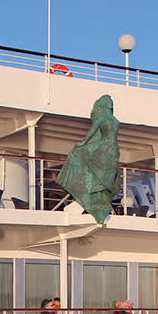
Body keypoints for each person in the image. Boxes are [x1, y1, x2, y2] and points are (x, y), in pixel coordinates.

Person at [55, 94, 122, 224]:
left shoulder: (102, 118)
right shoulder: (115, 120)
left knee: (77, 152)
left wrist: (82, 143)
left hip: (103, 148)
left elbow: (92, 132)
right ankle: (98, 194)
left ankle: (65, 181)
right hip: (113, 150)